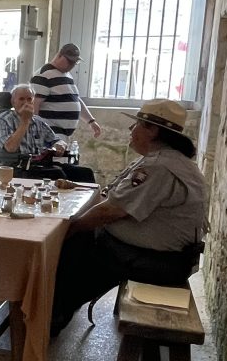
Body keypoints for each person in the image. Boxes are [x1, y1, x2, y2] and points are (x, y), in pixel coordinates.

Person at [49, 99, 205, 335]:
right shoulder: (167, 160)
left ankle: (51, 316)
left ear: (153, 130)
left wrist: (68, 229)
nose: (131, 130)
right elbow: (112, 197)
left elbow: (109, 211)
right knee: (80, 239)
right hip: (162, 256)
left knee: (73, 244)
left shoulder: (159, 167)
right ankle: (56, 308)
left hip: (158, 262)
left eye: (137, 125)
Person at [0, 85, 96, 182]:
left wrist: (59, 144)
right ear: (13, 102)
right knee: (58, 174)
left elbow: (55, 140)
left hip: (41, 164)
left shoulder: (38, 121)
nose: (26, 102)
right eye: (21, 99)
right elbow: (10, 148)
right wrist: (25, 121)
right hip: (17, 166)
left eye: (29, 99)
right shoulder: (3, 119)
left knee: (85, 173)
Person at [30, 42, 102, 141]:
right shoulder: (44, 74)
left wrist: (91, 121)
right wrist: (36, 131)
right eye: (69, 61)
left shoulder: (66, 75)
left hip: (61, 135)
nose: (72, 65)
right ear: (59, 55)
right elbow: (34, 104)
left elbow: (75, 99)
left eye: (75, 62)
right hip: (50, 133)